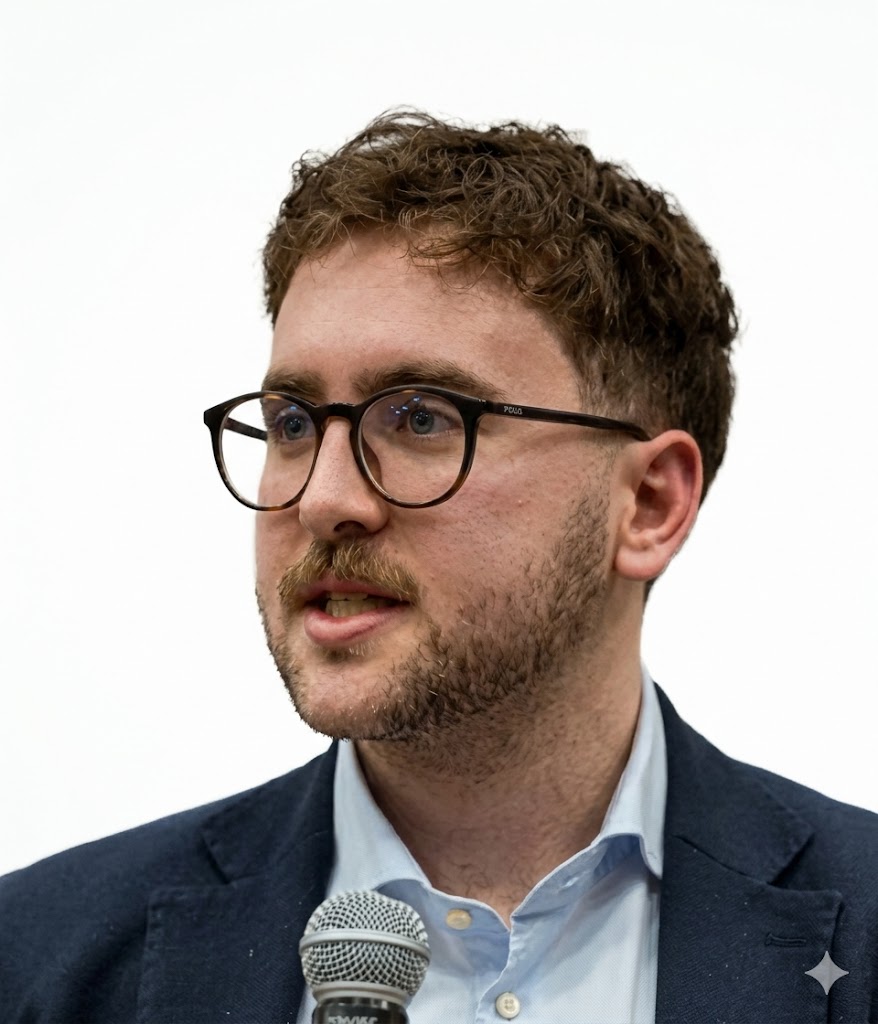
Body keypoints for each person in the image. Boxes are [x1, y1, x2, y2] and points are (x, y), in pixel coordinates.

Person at [1, 110, 875, 1024]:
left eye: (420, 418)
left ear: (649, 504)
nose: (324, 499)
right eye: (293, 423)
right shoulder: (37, 965)